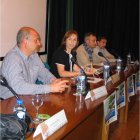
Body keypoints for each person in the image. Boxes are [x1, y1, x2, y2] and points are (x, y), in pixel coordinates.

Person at [1, 27, 68, 99]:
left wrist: (54, 81)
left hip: (27, 97)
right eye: (36, 40)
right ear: (25, 42)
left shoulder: (34, 55)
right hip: (9, 101)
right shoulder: (12, 58)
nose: (39, 43)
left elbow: (44, 73)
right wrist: (50, 88)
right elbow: (19, 87)